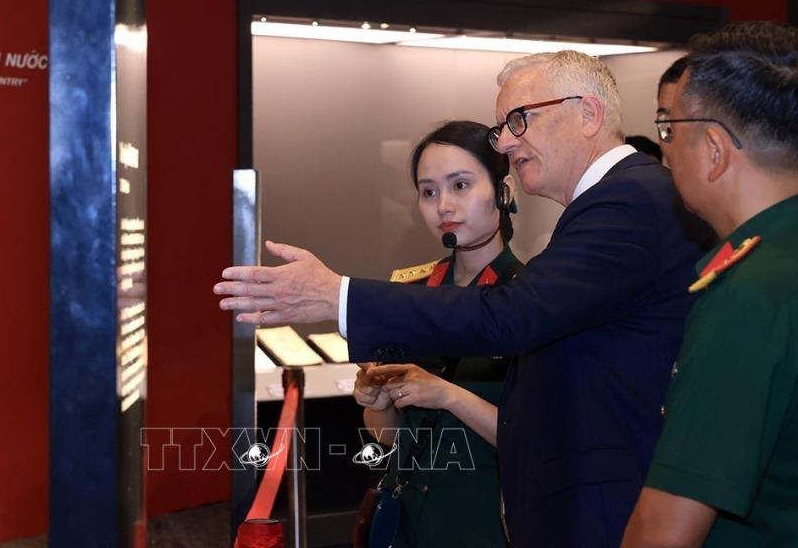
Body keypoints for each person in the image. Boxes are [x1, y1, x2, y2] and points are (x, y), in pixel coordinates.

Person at [217, 50, 711, 547]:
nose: (507, 142)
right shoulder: (608, 206)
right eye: (428, 191)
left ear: (588, 113)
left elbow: (514, 318)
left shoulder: (624, 200)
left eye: (519, 120)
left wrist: (337, 295)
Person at [623, 22, 798, 547]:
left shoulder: (753, 294)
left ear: (714, 150)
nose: (667, 150)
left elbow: (663, 533)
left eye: (669, 129)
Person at [354, 120, 520, 548]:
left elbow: (539, 439)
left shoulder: (529, 297)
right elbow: (391, 436)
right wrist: (378, 403)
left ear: (503, 191)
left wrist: (447, 395)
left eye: (460, 185)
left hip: (486, 522)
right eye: (428, 192)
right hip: (409, 516)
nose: (444, 205)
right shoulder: (410, 293)